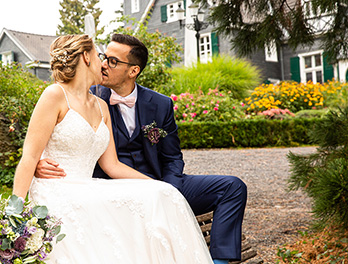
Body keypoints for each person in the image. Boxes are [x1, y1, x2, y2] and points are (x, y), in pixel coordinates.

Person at [36, 34, 247, 264]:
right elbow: (57, 135)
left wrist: (170, 190)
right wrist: (40, 161)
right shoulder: (89, 98)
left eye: (113, 61)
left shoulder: (161, 104)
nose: (104, 64)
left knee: (233, 187)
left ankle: (219, 261)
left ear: (133, 71)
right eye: (104, 57)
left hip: (159, 181)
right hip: (112, 189)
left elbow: (172, 157)